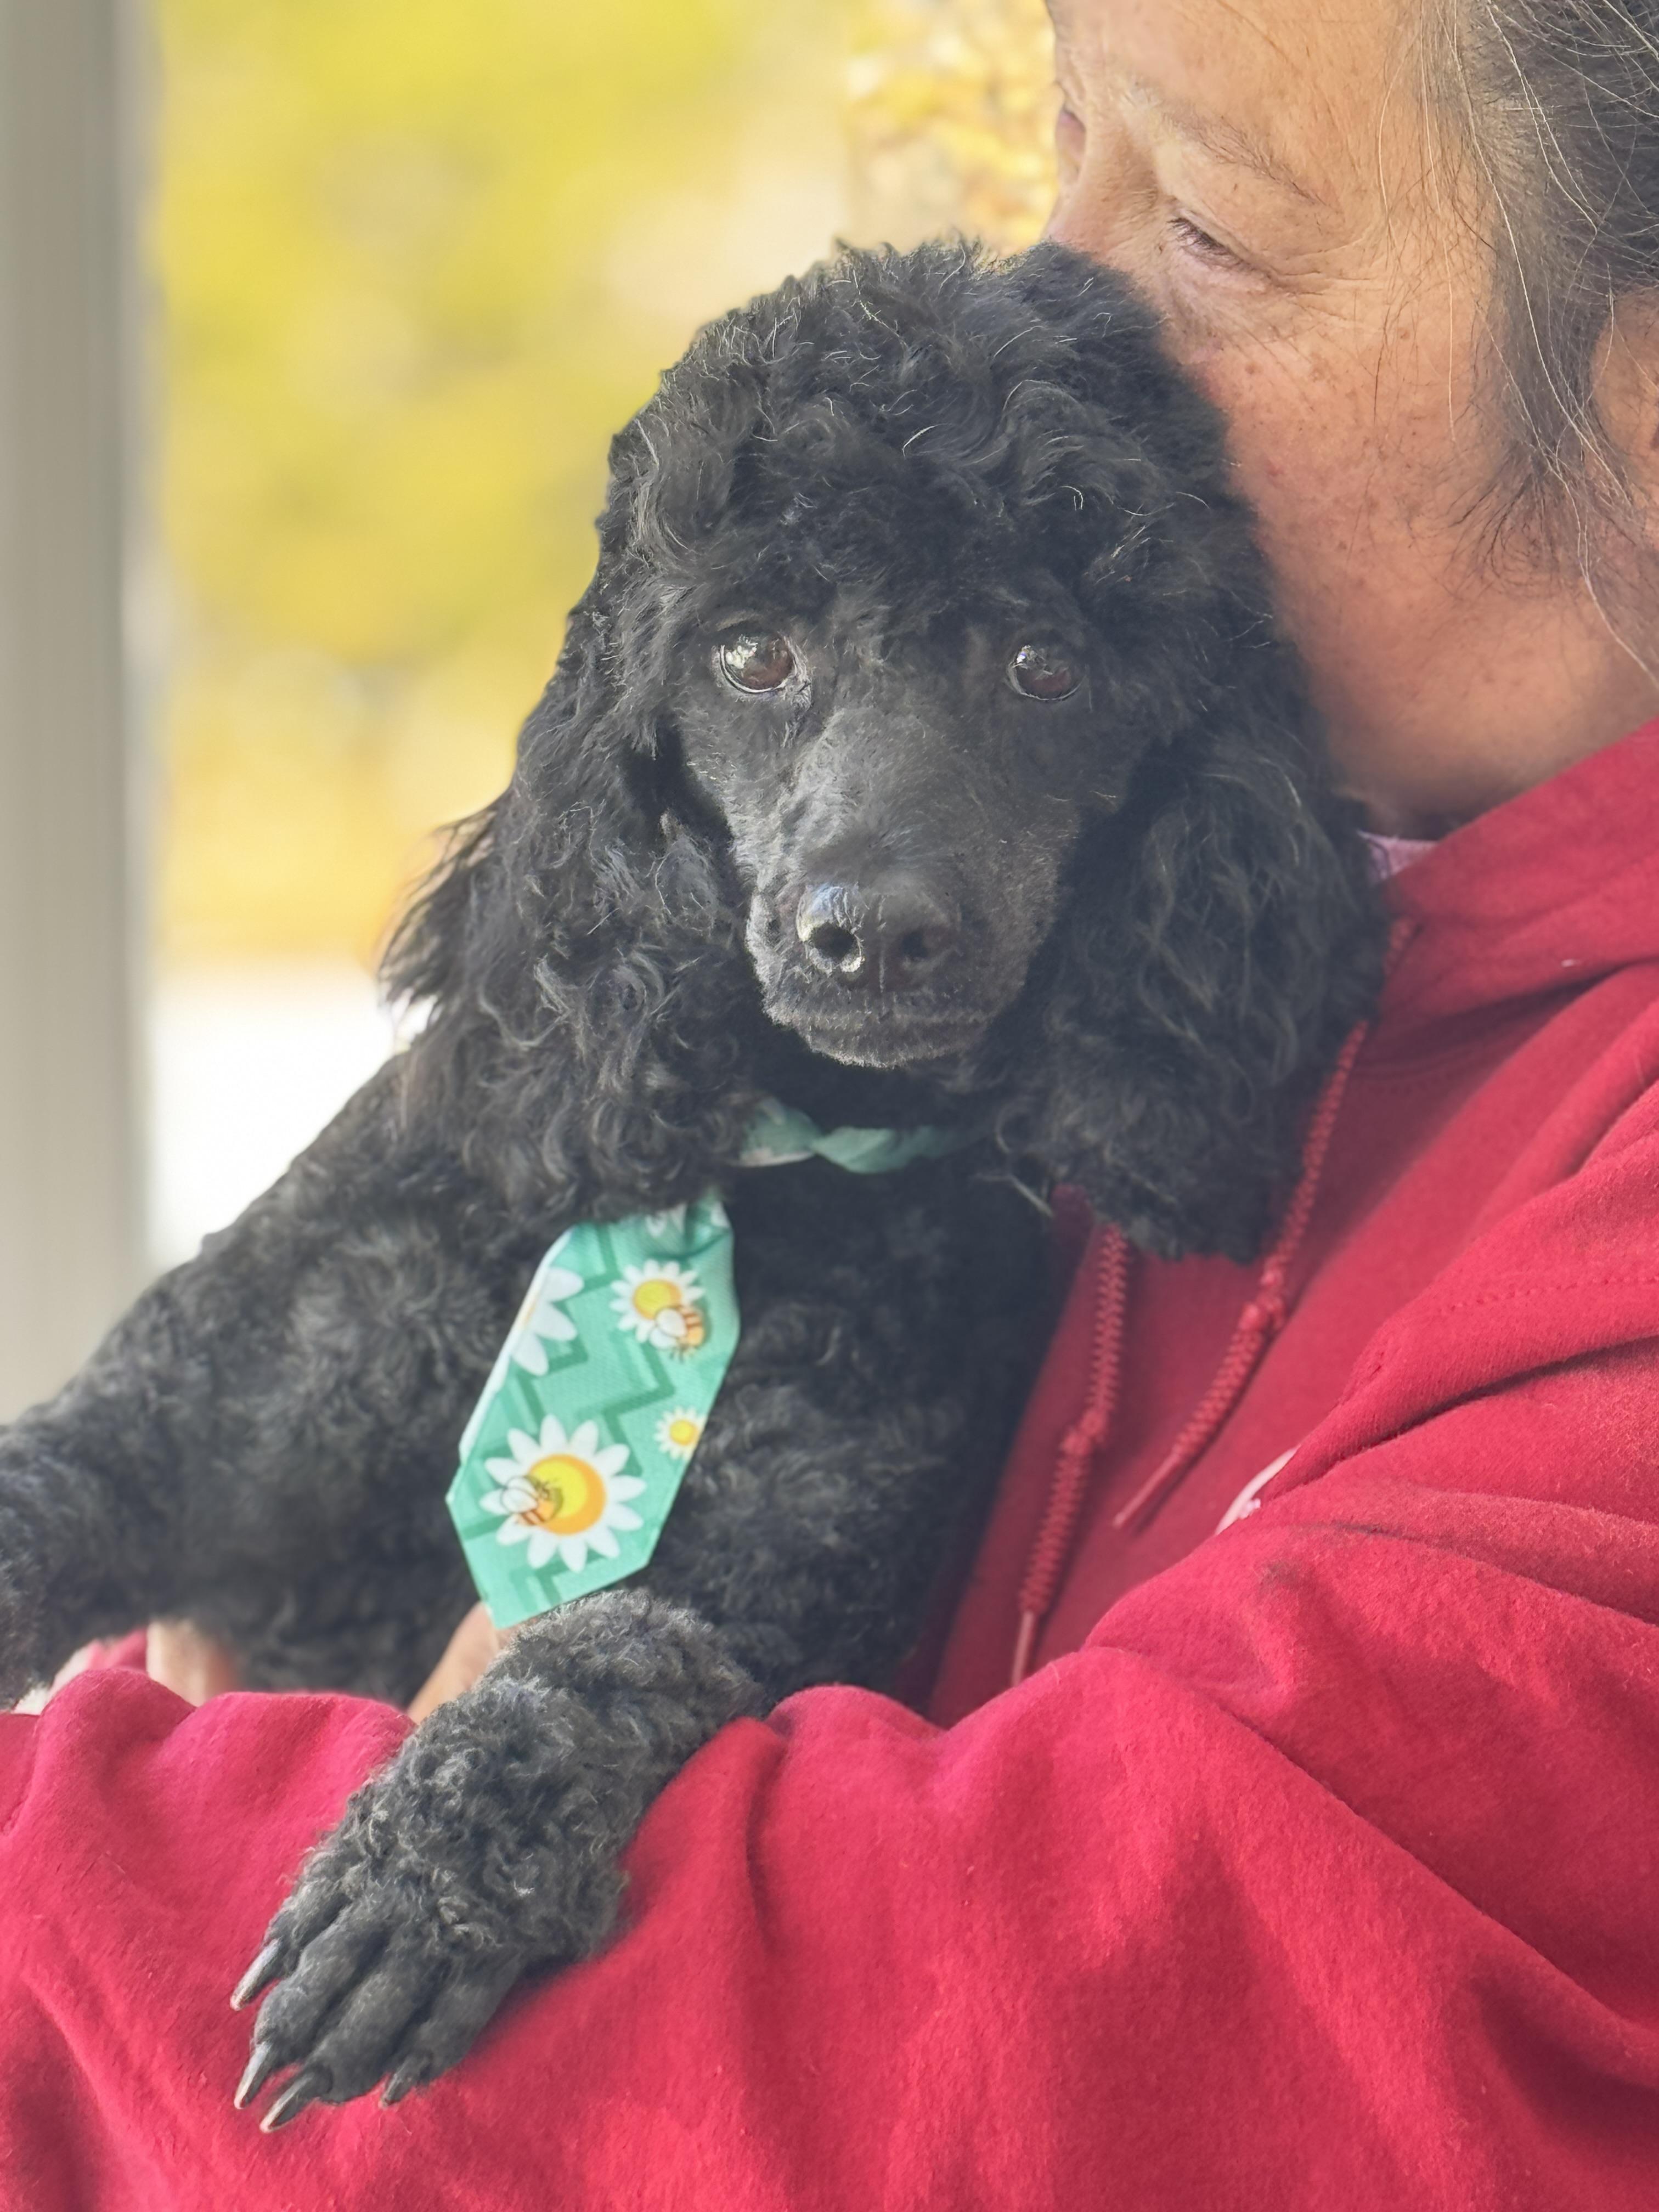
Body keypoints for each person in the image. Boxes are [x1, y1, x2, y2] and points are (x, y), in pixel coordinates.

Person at [7, 0, 1659, 2199]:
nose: (1058, 283)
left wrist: (108, 1876)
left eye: (1209, 219)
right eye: (1063, 133)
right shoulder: (1185, 947)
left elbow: (994, 2037)